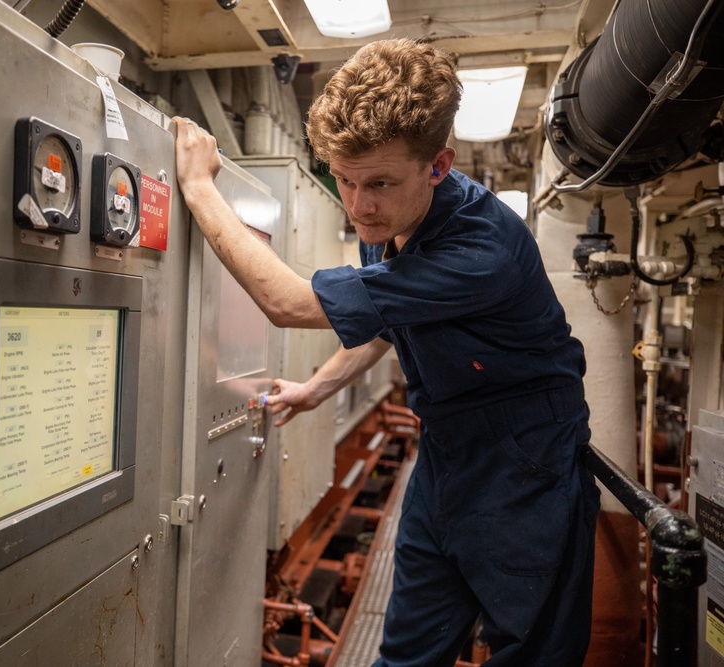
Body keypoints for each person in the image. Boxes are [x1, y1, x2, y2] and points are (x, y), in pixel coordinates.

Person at [173, 38, 600, 667]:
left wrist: (199, 188)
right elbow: (385, 324)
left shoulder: (480, 251)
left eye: (378, 183)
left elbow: (289, 304)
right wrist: (314, 390)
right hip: (446, 455)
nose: (359, 205)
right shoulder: (391, 220)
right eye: (344, 180)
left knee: (530, 652)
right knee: (406, 652)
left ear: (438, 164)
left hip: (525, 464)